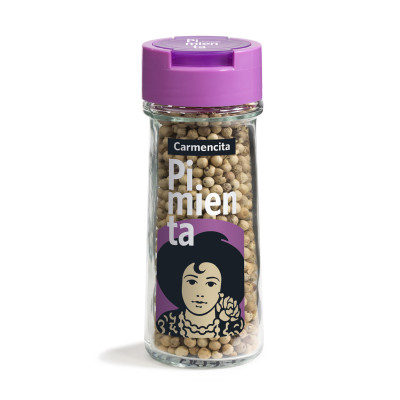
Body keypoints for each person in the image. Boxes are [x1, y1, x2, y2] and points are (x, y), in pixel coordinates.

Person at [156, 231, 244, 338]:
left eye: (210, 284)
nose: (200, 293)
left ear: (222, 288)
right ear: (179, 284)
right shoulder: (167, 322)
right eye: (192, 282)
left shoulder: (234, 325)